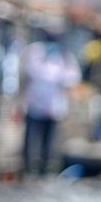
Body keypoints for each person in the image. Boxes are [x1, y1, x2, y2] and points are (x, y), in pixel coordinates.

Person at [19, 36, 80, 176]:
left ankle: (46, 169)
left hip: (54, 107)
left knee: (49, 141)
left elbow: (71, 81)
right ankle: (28, 169)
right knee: (31, 139)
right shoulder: (34, 51)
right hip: (34, 105)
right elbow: (25, 75)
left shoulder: (65, 57)